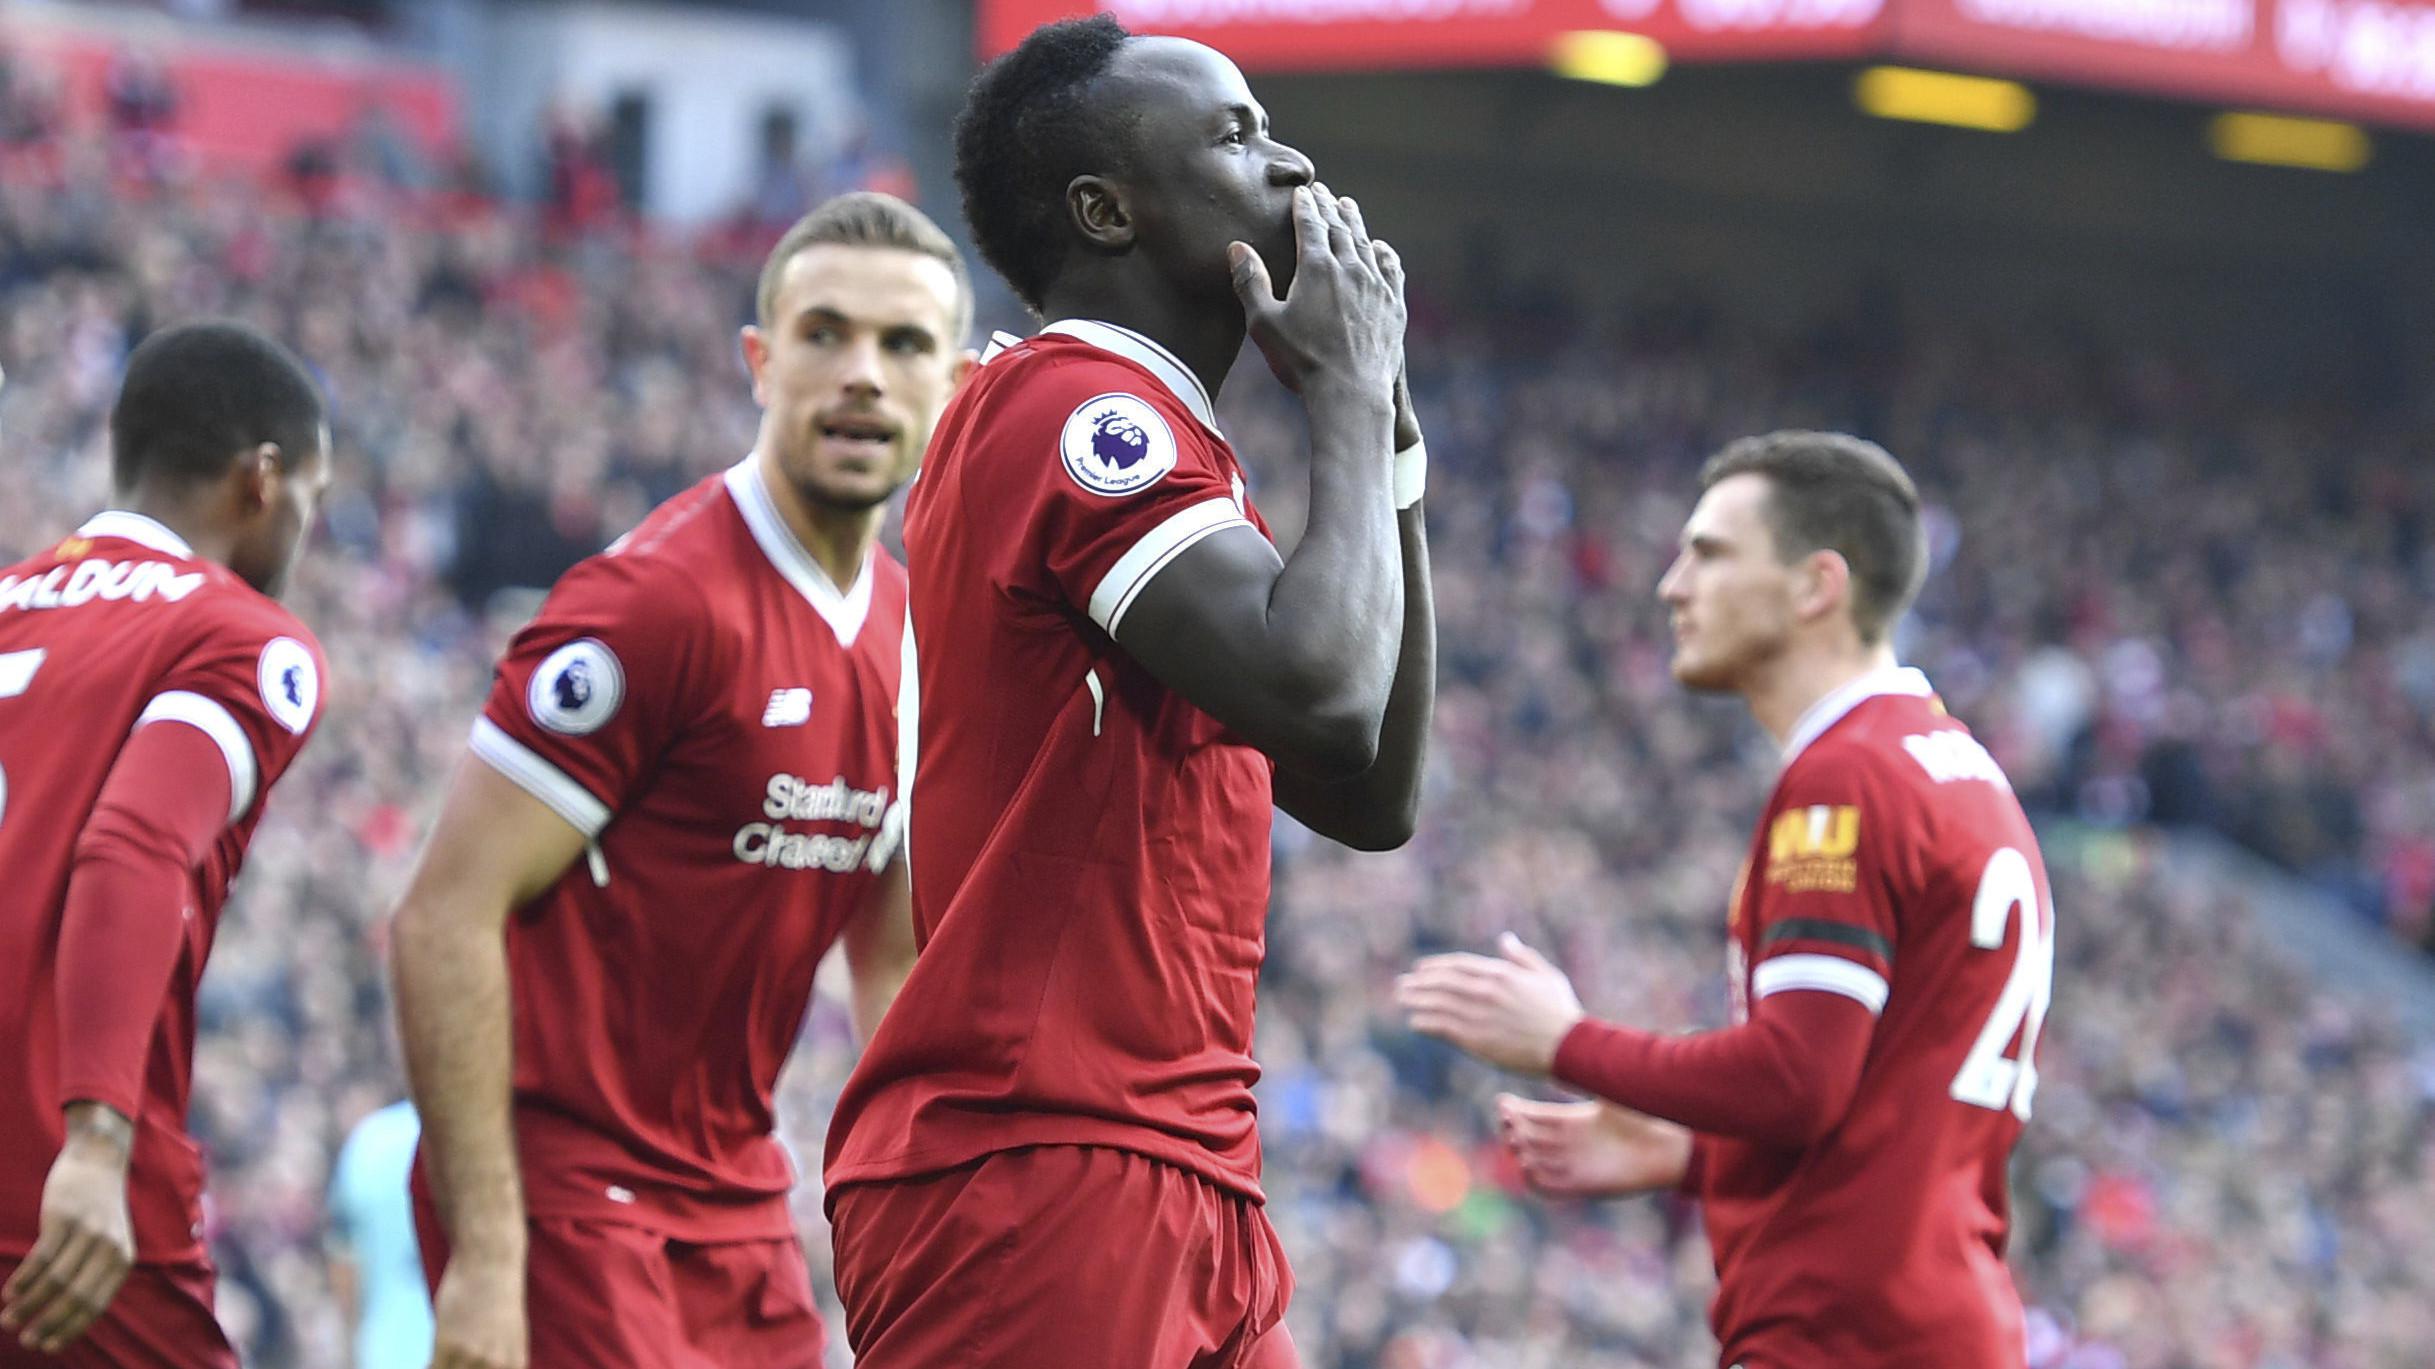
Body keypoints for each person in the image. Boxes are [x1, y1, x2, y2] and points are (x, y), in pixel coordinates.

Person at [823, 16, 1434, 1369]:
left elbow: (1372, 785)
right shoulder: (1069, 409)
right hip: (1036, 1160)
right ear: (1106, 209)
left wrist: (1383, 448)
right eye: (1231, 135)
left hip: (1181, 1161)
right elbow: (1326, 692)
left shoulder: (1177, 467)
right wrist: (1338, 403)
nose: (1287, 164)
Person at [388, 191, 970, 1369]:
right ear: (760, 361)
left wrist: (932, 1218)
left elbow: (892, 960)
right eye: (824, 334)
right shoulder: (654, 602)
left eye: (903, 345)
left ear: (950, 387)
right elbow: (441, 917)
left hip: (736, 1203)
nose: (862, 373)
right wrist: (490, 1259)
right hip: (567, 1194)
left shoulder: (917, 637)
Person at [1398, 431, 2047, 1368]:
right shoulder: (1959, 773)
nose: (1670, 585)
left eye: (1707, 552)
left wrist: (1566, 1041)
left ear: (1815, 585)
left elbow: (1797, 1079)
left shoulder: (1847, 777)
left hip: (1841, 1333)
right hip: (1935, 1318)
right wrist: (1695, 1158)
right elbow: (1879, 1109)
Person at [0, 321, 332, 1365]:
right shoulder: (237, 636)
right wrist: (97, 1140)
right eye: (314, 501)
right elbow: (135, 841)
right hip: (58, 1189)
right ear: (262, 480)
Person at [326, 1100, 432, 1369]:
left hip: (383, 1353)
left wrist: (349, 1351)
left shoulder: (370, 1140)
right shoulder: (501, 1132)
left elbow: (345, 1264)